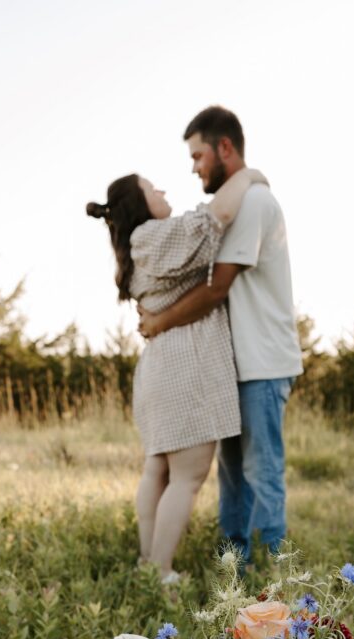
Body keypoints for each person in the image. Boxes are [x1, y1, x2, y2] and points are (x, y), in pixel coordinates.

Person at [87, 163, 267, 582]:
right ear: (138, 204)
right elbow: (215, 217)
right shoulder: (150, 235)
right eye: (153, 189)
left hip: (160, 368)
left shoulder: (136, 246)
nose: (163, 191)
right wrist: (248, 176)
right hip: (184, 368)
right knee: (187, 476)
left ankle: (148, 563)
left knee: (159, 470)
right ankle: (162, 570)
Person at [139, 107, 303, 563]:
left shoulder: (254, 203)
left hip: (263, 364)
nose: (194, 168)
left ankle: (273, 572)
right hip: (232, 366)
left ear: (224, 147)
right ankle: (236, 569)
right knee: (232, 477)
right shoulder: (237, 201)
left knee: (261, 473)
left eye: (198, 156)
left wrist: (158, 322)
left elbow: (216, 287)